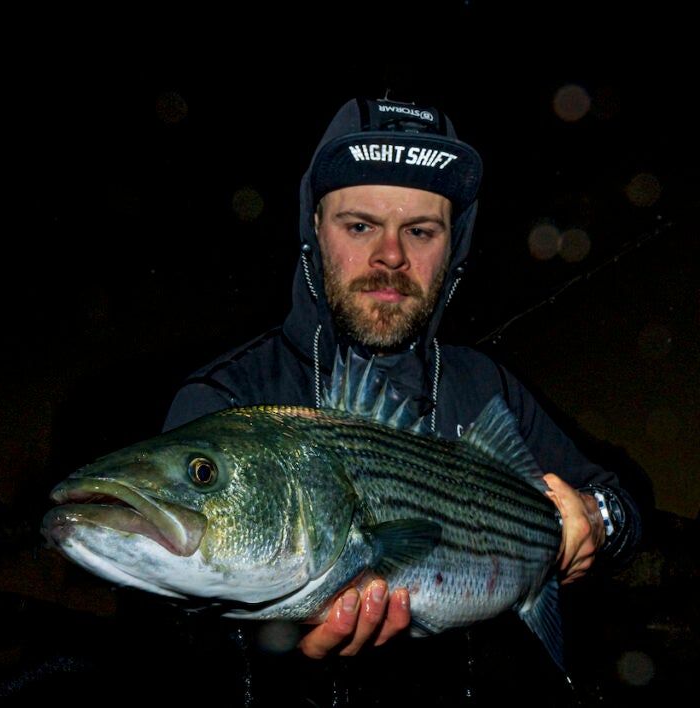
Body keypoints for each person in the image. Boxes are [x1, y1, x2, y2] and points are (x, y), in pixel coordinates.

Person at [160, 96, 642, 706]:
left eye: (420, 231)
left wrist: (597, 520)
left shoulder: (485, 385)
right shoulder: (226, 400)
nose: (391, 255)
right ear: (314, 227)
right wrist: (275, 657)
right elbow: (171, 633)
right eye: (359, 225)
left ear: (454, 247)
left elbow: (625, 501)